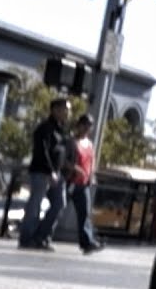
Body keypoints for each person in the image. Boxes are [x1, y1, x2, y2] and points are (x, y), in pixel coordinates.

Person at [17, 98, 71, 252]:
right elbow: (42, 151)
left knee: (59, 204)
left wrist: (60, 170)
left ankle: (42, 236)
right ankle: (27, 239)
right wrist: (50, 171)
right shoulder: (45, 128)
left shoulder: (61, 129)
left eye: (68, 109)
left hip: (57, 173)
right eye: (64, 108)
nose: (67, 112)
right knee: (35, 205)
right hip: (42, 172)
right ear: (55, 109)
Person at [65, 114, 104, 254]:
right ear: (79, 125)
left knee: (85, 213)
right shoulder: (72, 142)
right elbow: (65, 160)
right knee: (57, 208)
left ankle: (87, 242)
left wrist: (91, 175)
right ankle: (42, 234)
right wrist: (76, 169)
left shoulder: (90, 143)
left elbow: (91, 162)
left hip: (84, 184)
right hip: (71, 181)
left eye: (90, 125)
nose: (87, 128)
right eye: (85, 124)